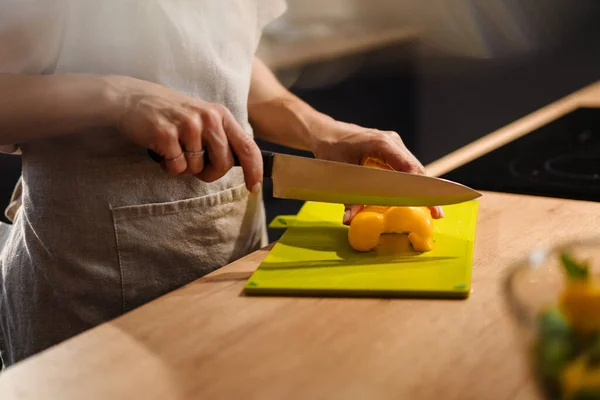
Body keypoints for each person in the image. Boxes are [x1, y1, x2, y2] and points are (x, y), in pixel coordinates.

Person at [0, 0, 443, 366]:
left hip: (235, 260)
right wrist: (119, 98)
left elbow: (217, 54)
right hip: (88, 296)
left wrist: (319, 128)